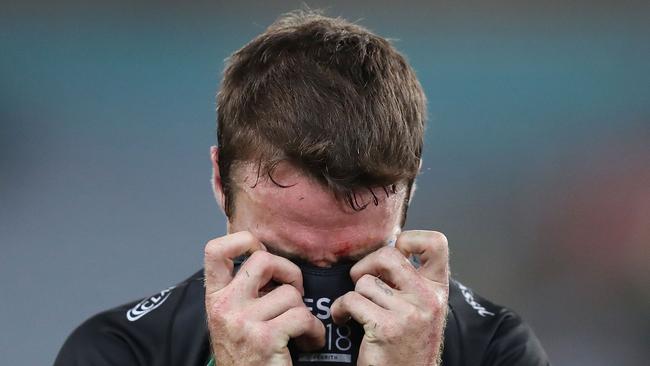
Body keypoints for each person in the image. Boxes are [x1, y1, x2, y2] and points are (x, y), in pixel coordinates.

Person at [54, 9, 550, 366]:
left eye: (356, 258)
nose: (321, 296)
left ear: (410, 189)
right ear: (220, 183)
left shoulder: (495, 348)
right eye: (281, 254)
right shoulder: (119, 350)